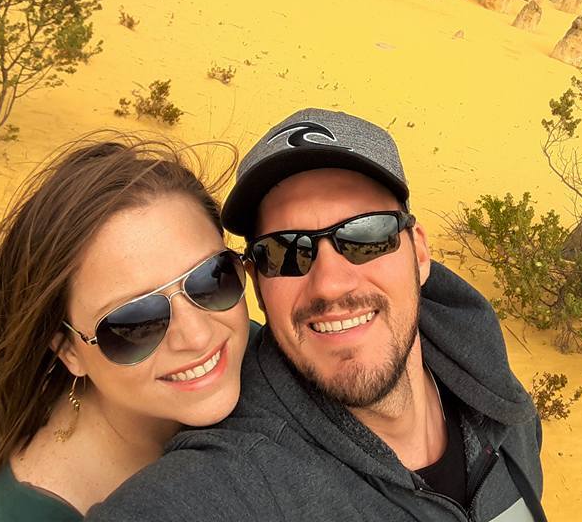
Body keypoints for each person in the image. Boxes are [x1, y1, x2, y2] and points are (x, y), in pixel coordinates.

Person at [90, 109, 545, 522]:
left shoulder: (495, 399)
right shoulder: (245, 475)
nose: (329, 284)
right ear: (260, 289)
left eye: (365, 235)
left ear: (419, 253)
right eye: (286, 252)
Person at [0, 136, 251, 521]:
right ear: (68, 349)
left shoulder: (271, 361)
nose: (197, 336)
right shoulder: (26, 513)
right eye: (135, 322)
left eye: (212, 280)